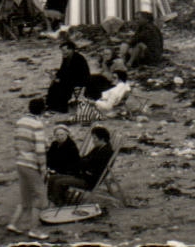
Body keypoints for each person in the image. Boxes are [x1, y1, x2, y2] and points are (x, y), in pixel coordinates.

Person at [6, 98, 49, 239]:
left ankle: (14, 224)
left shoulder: (20, 122)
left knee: (26, 196)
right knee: (40, 196)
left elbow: (16, 143)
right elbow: (40, 149)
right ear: (42, 110)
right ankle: (34, 229)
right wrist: (43, 167)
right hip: (31, 164)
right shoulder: (37, 125)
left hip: (20, 162)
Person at [47, 126, 115, 205]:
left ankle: (59, 203)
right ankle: (52, 199)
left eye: (95, 138)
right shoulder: (98, 148)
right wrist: (82, 164)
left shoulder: (106, 152)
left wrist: (82, 166)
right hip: (82, 175)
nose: (93, 140)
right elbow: (85, 159)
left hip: (88, 181)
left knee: (58, 182)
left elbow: (93, 168)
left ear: (102, 139)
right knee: (52, 178)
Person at [45, 39, 90, 113]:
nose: (63, 52)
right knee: (54, 84)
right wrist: (56, 76)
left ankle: (61, 107)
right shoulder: (66, 57)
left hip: (80, 80)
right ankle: (51, 105)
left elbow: (76, 74)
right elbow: (62, 70)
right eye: (62, 51)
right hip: (70, 78)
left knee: (62, 86)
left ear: (71, 49)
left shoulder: (78, 58)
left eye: (64, 50)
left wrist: (61, 80)